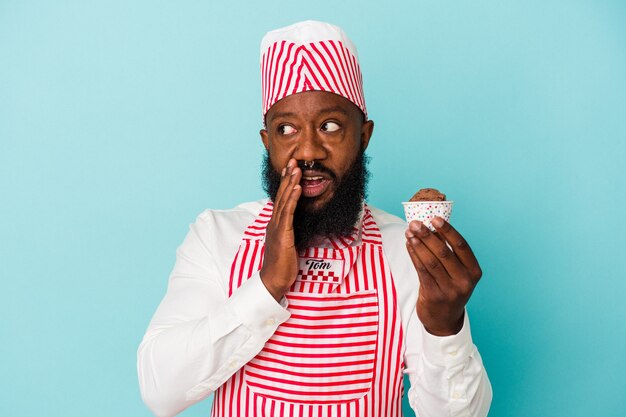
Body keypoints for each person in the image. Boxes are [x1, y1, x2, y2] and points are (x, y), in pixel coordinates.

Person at [137, 20, 492, 417]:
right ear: (267, 141)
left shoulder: (406, 250)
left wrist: (445, 325)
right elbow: (160, 391)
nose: (308, 150)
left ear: (363, 136)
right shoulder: (217, 237)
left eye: (330, 126)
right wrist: (267, 285)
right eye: (286, 128)